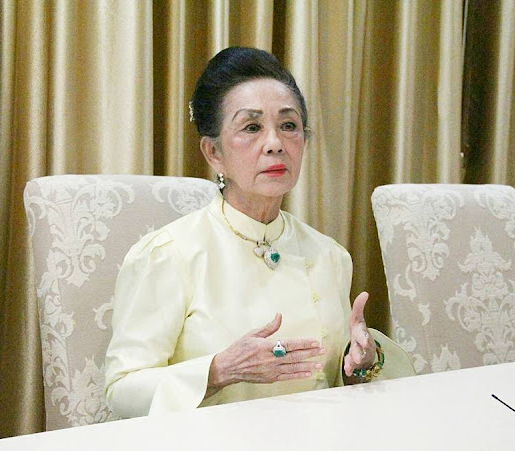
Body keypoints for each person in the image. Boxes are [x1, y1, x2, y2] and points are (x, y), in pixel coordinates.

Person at [104, 47, 414, 418]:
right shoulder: (169, 254)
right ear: (213, 153)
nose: (275, 143)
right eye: (252, 128)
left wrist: (361, 363)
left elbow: (333, 384)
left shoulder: (329, 254)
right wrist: (218, 371)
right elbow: (121, 391)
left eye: (289, 126)